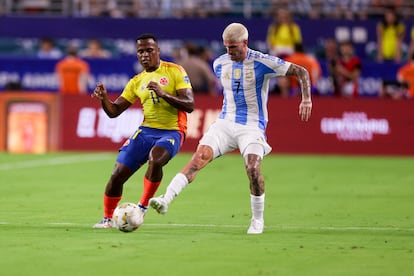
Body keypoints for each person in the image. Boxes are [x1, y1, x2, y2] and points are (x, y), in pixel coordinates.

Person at [149, 23, 312, 234]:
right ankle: (165, 200)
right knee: (199, 157)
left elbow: (301, 71)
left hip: (252, 126)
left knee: (253, 169)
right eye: (226, 47)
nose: (229, 51)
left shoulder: (262, 62)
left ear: (245, 43)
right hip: (225, 123)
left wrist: (306, 99)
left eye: (233, 47)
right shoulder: (220, 64)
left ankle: (257, 220)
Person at [92, 33, 194, 229]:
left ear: (158, 51)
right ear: (137, 55)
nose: (145, 54)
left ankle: (143, 206)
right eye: (141, 51)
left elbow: (189, 104)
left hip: (172, 131)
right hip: (146, 132)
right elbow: (114, 112)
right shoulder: (137, 81)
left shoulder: (175, 71)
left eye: (149, 50)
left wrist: (163, 94)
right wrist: (104, 98)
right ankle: (107, 219)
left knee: (156, 159)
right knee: (117, 175)